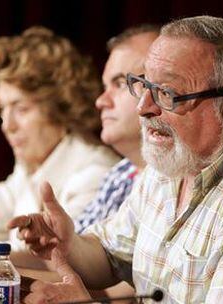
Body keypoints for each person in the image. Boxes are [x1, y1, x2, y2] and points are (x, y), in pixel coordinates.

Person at [9, 16, 223, 303]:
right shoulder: (177, 159)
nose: (143, 107)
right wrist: (69, 244)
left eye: (167, 93)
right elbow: (111, 255)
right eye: (144, 85)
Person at [0, 26, 118, 252]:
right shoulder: (28, 169)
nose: (8, 126)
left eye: (21, 109)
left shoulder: (95, 172)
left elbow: (52, 258)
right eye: (3, 108)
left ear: (60, 110)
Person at [73, 24, 160, 234]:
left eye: (120, 84)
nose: (101, 101)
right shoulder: (120, 173)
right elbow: (77, 249)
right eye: (104, 87)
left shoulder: (179, 181)